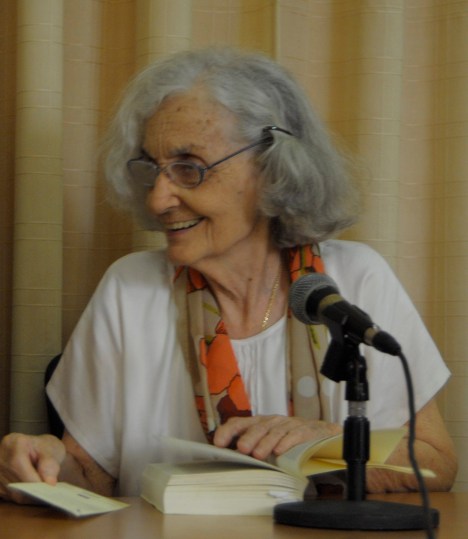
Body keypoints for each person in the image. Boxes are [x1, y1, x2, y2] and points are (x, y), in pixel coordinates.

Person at [0, 47, 457, 502]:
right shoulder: (129, 288)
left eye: (189, 168)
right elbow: (89, 474)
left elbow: (436, 463)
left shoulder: (357, 279)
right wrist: (44, 464)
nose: (158, 200)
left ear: (271, 167)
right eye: (152, 169)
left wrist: (332, 445)